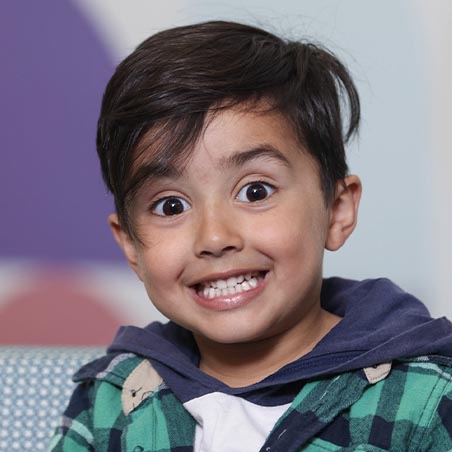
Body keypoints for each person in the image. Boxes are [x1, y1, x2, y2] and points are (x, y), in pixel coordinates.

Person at [49, 20, 452, 451]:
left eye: (255, 191)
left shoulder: (423, 399)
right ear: (130, 244)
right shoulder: (112, 401)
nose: (215, 236)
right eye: (171, 206)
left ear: (336, 209)